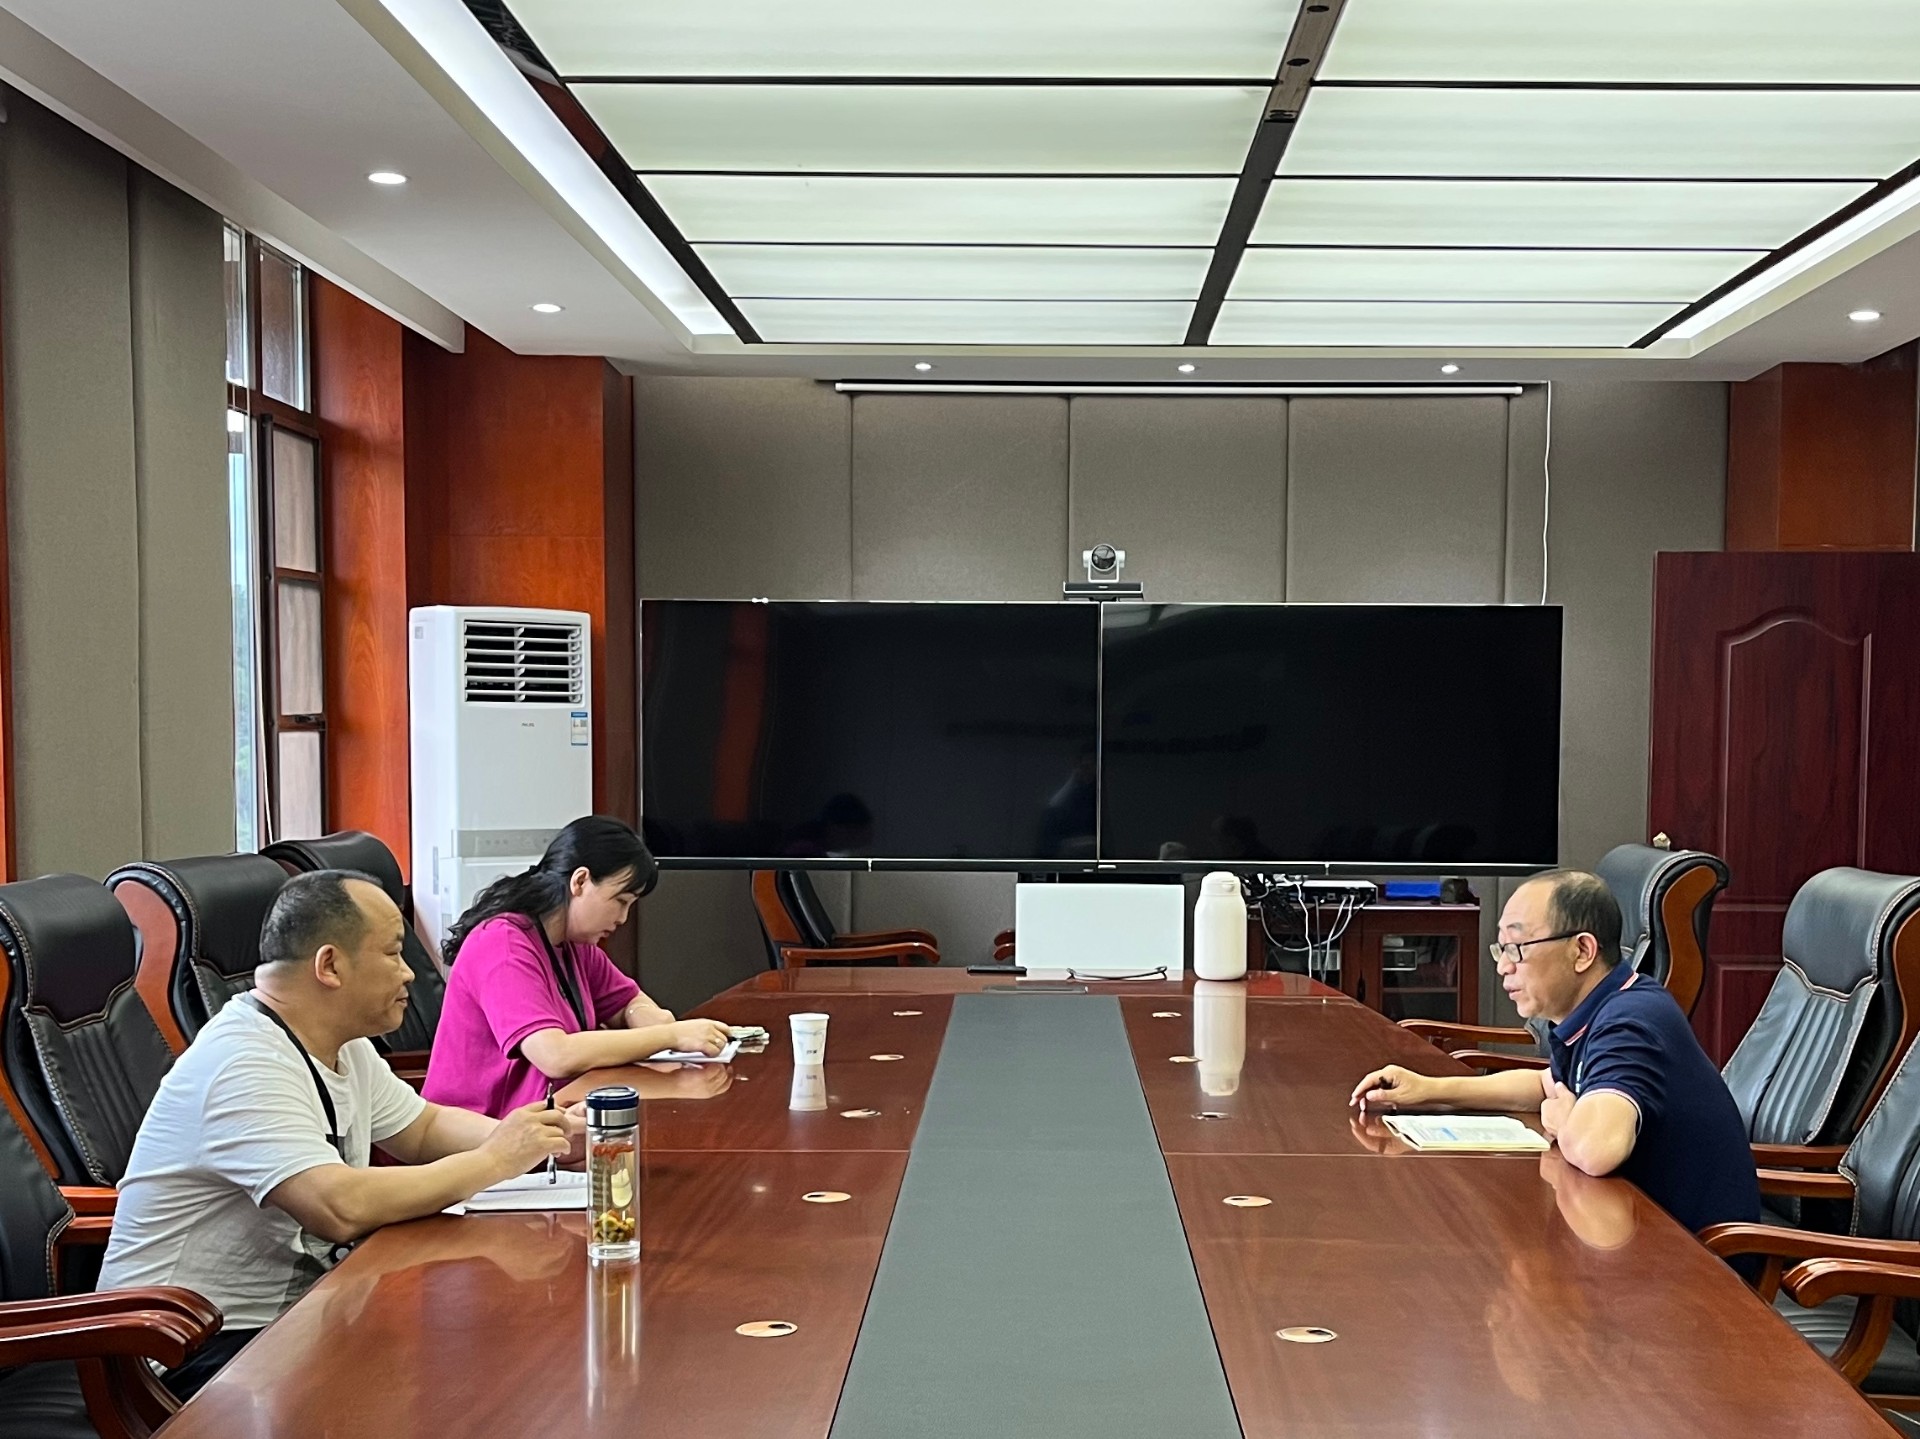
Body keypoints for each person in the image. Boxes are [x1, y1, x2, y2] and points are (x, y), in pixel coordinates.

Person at [98, 870, 573, 1398]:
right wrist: (494, 1161)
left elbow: (422, 1128)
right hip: (183, 1352)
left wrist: (541, 1138)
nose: (409, 973)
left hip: (295, 1317)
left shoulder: (339, 1041)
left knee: (483, 1350)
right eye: (393, 952)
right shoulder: (243, 1061)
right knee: (457, 1378)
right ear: (329, 966)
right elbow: (337, 1207)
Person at [1350, 868, 1759, 1237]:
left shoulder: (1631, 1021)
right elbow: (1545, 1085)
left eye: (1517, 947)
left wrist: (1566, 1118)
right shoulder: (1600, 1006)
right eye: (1501, 948)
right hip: (1644, 1232)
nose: (1503, 966)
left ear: (1582, 951)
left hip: (1702, 1262)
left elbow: (1597, 1150)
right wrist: (1427, 1090)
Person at [423, 816, 730, 1119]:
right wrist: (670, 1036)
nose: (623, 918)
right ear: (580, 881)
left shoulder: (576, 945)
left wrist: (648, 1018)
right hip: (481, 1131)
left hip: (550, 1119)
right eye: (620, 901)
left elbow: (628, 1002)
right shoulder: (502, 945)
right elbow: (555, 1055)